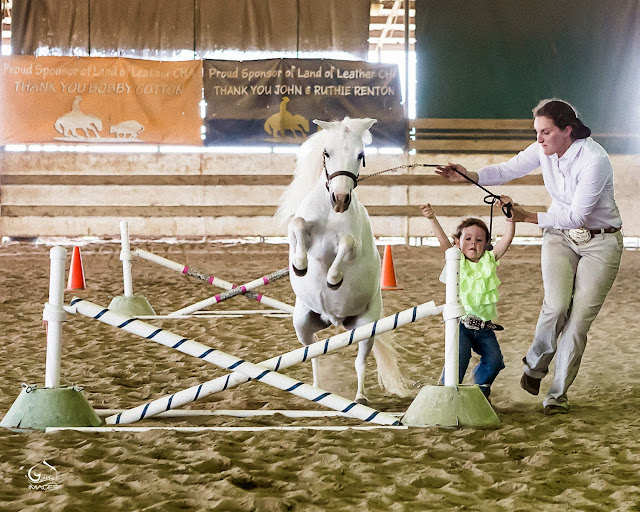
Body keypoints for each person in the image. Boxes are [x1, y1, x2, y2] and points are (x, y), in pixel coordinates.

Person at [434, 98, 623, 415]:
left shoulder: (595, 160)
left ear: (567, 130)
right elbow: (508, 169)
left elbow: (577, 216)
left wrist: (526, 216)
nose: (539, 139)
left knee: (576, 325)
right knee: (557, 304)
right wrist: (471, 175)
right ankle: (535, 366)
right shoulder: (544, 150)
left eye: (545, 132)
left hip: (601, 242)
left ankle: (557, 395)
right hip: (558, 237)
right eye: (537, 132)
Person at [421, 202, 515, 398]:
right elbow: (443, 242)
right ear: (457, 241)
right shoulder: (455, 259)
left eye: (480, 240)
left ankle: (480, 391)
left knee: (495, 360)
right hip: (461, 325)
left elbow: (507, 239)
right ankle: (447, 393)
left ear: (487, 243)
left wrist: (510, 220)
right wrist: (432, 218)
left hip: (484, 327)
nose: (474, 243)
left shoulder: (490, 260)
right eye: (468, 239)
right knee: (459, 358)